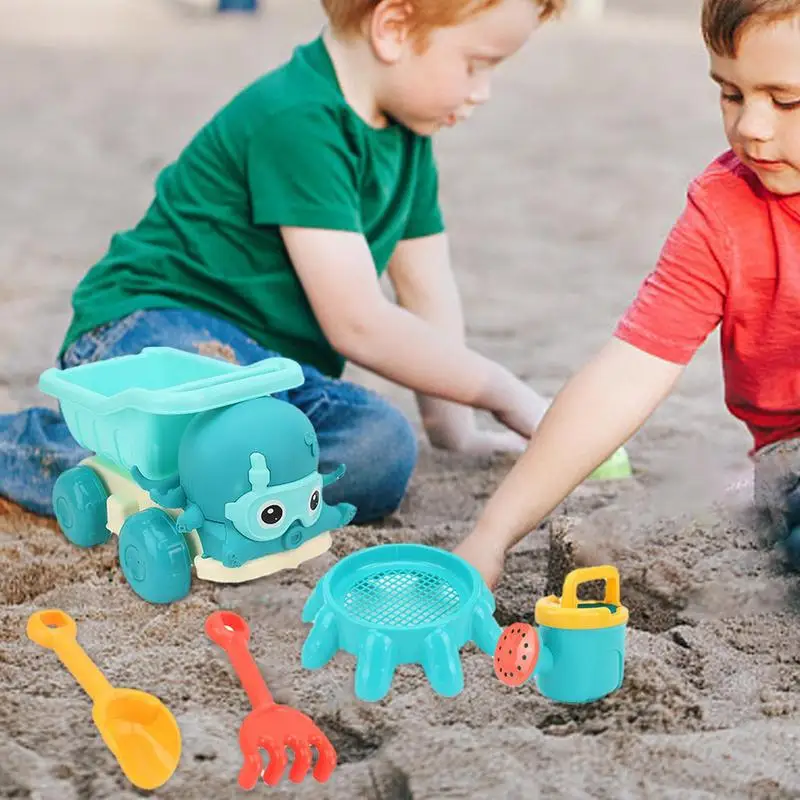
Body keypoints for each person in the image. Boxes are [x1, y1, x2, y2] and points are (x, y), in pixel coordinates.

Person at [0, 0, 577, 523]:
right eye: (477, 63)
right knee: (231, 429)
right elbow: (355, 322)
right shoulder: (297, 117)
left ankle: (174, 485)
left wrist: (457, 431)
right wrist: (506, 393)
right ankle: (45, 450)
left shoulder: (407, 141)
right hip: (151, 333)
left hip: (260, 379)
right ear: (394, 27)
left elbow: (428, 292)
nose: (483, 91)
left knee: (376, 445)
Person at [455, 0, 800, 586]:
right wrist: (492, 534)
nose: (751, 127)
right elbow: (625, 376)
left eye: (787, 100)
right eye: (731, 94)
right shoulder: (724, 212)